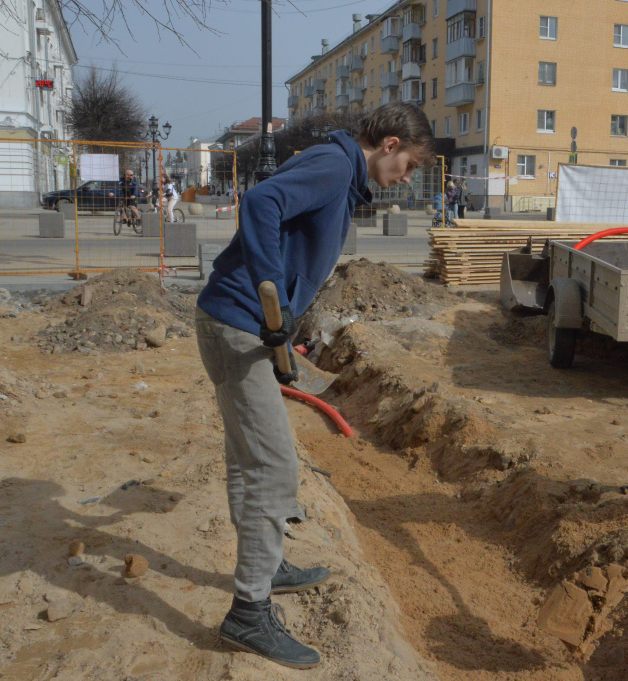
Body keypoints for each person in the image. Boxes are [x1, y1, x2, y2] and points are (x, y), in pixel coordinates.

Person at [195, 102, 434, 669]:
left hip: (237, 324)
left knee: (246, 457)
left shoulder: (339, 173)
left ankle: (267, 565)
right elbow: (260, 202)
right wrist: (270, 288)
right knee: (273, 468)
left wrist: (286, 319)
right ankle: (248, 614)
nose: (406, 179)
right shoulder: (332, 164)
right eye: (410, 166)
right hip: (237, 324)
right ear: (390, 143)